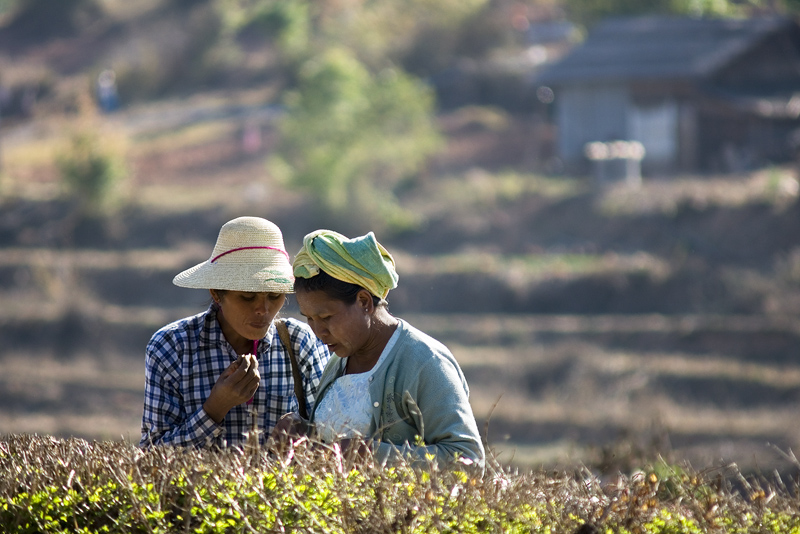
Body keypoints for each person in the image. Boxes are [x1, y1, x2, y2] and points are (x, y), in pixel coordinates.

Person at [273, 229, 485, 469]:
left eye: (326, 317)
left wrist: (370, 454)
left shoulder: (424, 362)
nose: (318, 331)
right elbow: (336, 445)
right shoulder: (339, 360)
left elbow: (469, 460)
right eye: (310, 319)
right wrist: (305, 435)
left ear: (363, 302)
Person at [140, 217, 330, 449]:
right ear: (217, 294)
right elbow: (151, 454)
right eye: (247, 297)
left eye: (274, 296)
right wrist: (215, 408)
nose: (263, 310)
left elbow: (331, 437)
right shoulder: (172, 347)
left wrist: (300, 434)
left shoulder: (299, 342)